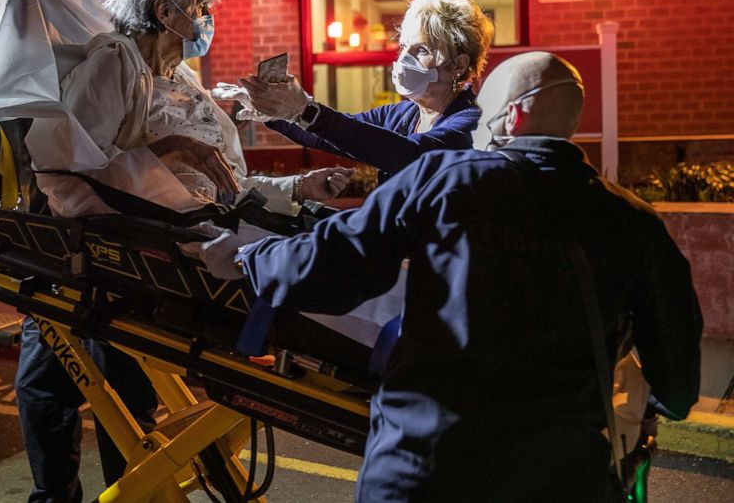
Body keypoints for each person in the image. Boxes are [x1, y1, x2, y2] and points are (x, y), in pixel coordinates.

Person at [197, 51, 703, 501]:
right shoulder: (633, 221)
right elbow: (677, 382)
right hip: (563, 472)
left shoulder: (444, 180)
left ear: (515, 114)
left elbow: (337, 263)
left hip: (428, 463)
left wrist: (251, 259)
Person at [17, 0, 349, 503]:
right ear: (163, 9)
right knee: (82, 386)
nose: (208, 19)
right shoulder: (114, 63)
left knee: (103, 387)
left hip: (175, 245)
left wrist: (297, 189)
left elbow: (221, 190)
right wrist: (168, 151)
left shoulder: (185, 80)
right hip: (119, 254)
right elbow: (67, 171)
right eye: (201, 5)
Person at [229, 0, 493, 182]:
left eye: (421, 50)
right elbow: (334, 134)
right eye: (403, 47)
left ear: (458, 64)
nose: (404, 59)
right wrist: (276, 113)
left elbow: (409, 154)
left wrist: (304, 110)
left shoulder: (471, 121)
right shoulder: (403, 114)